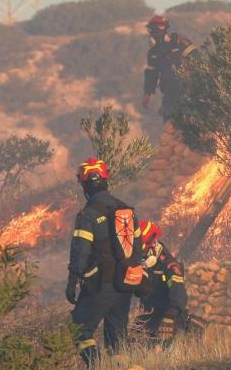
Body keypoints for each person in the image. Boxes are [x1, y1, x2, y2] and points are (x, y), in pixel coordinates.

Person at [65, 158, 137, 369]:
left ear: (84, 185)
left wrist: (72, 281)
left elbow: (80, 251)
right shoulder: (126, 210)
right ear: (106, 179)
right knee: (117, 338)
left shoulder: (87, 215)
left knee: (80, 328)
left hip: (99, 284)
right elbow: (139, 247)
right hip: (125, 285)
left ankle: (96, 366)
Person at [136, 220, 189, 341]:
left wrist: (171, 315)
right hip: (149, 314)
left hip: (169, 315)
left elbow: (178, 292)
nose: (142, 254)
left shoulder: (170, 265)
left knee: (165, 344)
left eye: (144, 250)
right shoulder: (141, 262)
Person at [143, 15, 194, 119]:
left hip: (188, 94)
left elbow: (198, 59)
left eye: (154, 30)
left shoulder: (180, 43)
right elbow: (151, 74)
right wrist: (147, 94)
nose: (152, 33)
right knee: (169, 125)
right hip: (169, 95)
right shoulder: (153, 53)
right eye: (151, 30)